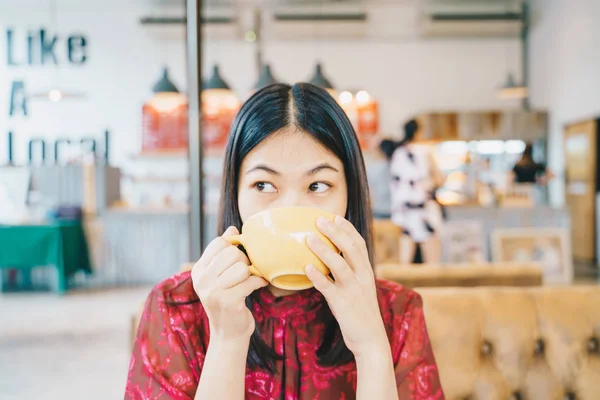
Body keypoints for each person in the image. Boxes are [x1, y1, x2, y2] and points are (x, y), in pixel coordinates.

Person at [125, 83, 443, 399]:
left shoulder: (397, 313)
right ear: (235, 194)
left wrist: (371, 347)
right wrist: (227, 339)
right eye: (263, 184)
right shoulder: (177, 310)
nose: (290, 209)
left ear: (350, 197)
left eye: (318, 186)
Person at [380, 120, 445, 264]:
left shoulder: (397, 154)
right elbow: (439, 178)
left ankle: (405, 286)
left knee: (405, 261)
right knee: (433, 261)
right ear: (418, 132)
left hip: (404, 211)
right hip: (423, 210)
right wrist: (429, 184)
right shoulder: (423, 152)